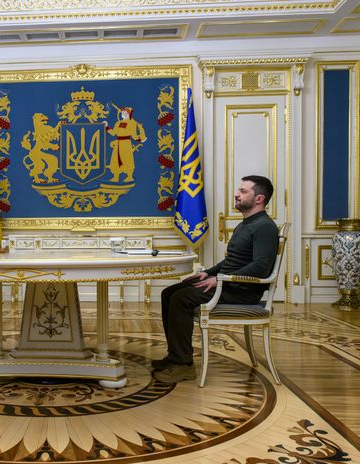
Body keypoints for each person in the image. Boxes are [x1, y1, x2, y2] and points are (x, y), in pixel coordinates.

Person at [154, 175, 279, 384]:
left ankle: (183, 365)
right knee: (169, 293)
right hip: (228, 283)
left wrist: (220, 279)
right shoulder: (246, 224)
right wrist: (209, 273)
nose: (236, 194)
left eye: (243, 191)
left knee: (181, 299)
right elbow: (232, 261)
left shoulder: (264, 227)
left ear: (259, 199)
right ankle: (175, 356)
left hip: (242, 290)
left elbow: (261, 266)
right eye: (238, 190)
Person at [104, 107, 146, 182]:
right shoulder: (118, 123)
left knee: (127, 160)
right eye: (122, 112)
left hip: (126, 143)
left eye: (125, 112)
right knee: (116, 160)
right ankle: (116, 177)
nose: (123, 113)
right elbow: (113, 133)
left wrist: (140, 136)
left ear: (129, 114)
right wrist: (106, 127)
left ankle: (129, 177)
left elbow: (134, 136)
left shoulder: (132, 123)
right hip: (118, 144)